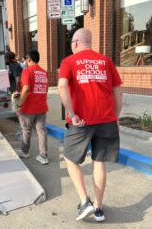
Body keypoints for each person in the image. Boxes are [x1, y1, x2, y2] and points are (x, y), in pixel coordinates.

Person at [58, 28, 123, 222]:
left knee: (70, 159)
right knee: (99, 161)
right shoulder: (106, 61)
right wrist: (115, 117)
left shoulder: (69, 61)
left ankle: (85, 202)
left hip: (81, 121)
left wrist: (72, 114)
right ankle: (99, 208)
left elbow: (61, 86)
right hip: (106, 120)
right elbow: (118, 92)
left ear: (76, 43)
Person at [15, 49, 49, 165]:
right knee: (42, 131)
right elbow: (45, 89)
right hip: (41, 107)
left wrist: (19, 105)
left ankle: (25, 151)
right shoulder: (44, 72)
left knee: (26, 130)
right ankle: (43, 156)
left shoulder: (27, 71)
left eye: (25, 59)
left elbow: (26, 89)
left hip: (28, 108)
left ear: (28, 59)